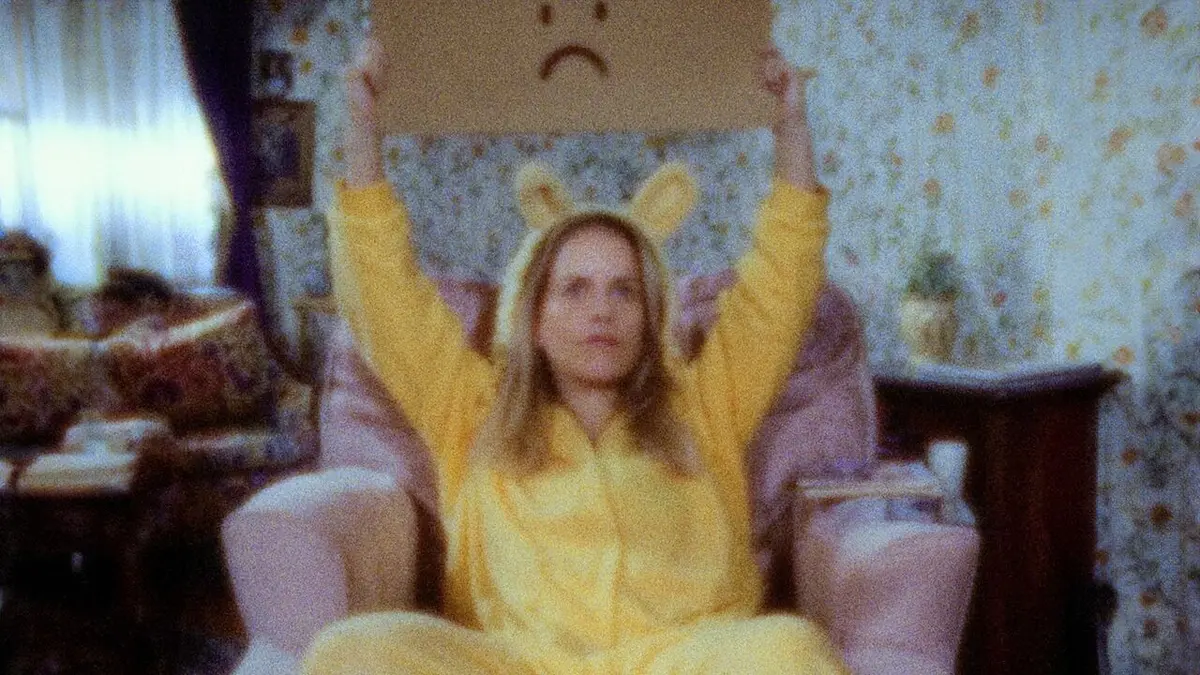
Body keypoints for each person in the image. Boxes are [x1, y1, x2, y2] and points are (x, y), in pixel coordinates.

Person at [302, 38, 849, 675]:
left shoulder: (707, 404)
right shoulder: (471, 410)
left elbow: (781, 282)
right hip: (520, 664)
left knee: (792, 650)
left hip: (681, 660)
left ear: (651, 317)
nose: (602, 311)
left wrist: (790, 124)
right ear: (533, 318)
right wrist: (363, 123)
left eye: (624, 291)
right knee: (351, 651)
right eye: (574, 289)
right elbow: (382, 290)